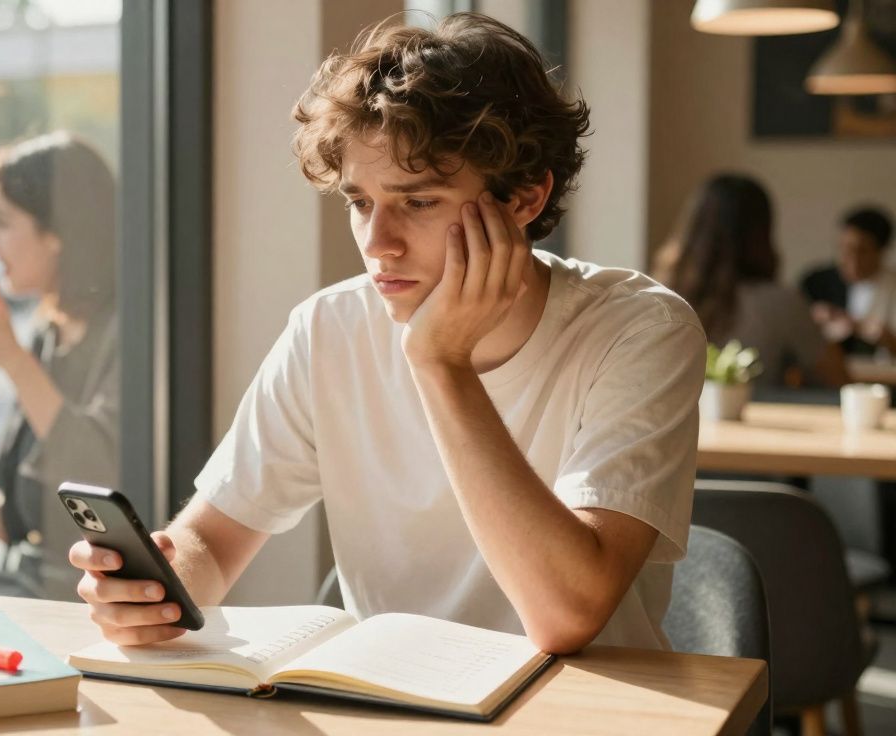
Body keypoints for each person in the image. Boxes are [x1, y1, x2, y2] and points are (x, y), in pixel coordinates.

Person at [69, 13, 705, 654]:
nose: (377, 244)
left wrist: (440, 363)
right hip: (389, 707)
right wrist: (158, 589)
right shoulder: (328, 329)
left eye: (418, 201)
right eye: (360, 202)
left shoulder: (640, 329)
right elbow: (213, 540)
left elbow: (566, 616)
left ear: (524, 199)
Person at [0, 132, 118, 600]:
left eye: (1, 221)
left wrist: (14, 362)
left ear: (58, 232)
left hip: (90, 594)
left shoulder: (128, 333)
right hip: (30, 581)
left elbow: (102, 470)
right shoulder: (49, 328)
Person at [654, 173, 849, 389]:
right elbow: (839, 381)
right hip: (753, 419)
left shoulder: (658, 297)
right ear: (762, 233)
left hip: (673, 421)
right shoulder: (781, 303)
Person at [800, 206, 896, 356]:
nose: (851, 260)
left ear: (881, 251)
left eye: (861, 251)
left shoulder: (892, 286)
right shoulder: (817, 282)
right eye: (844, 249)